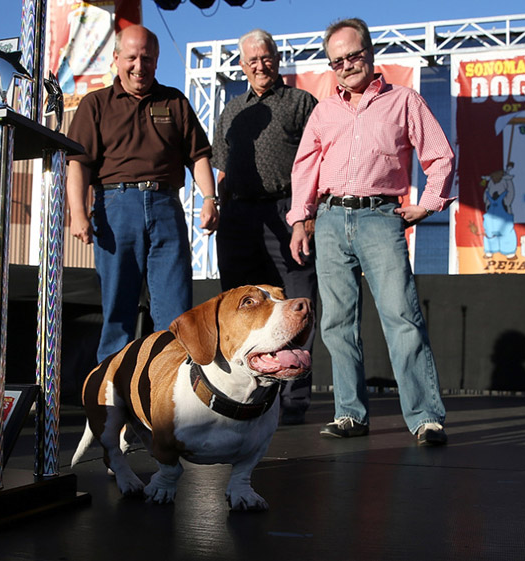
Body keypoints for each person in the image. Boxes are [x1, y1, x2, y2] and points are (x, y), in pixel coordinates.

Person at [287, 18, 454, 446]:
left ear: (370, 54)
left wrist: (429, 203)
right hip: (328, 220)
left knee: (402, 318)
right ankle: (350, 414)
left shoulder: (404, 101)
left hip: (380, 217)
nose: (346, 65)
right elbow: (305, 167)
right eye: (336, 60)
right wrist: (299, 220)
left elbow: (439, 156)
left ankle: (425, 418)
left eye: (353, 55)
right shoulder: (324, 111)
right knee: (338, 324)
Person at [66, 24, 219, 364]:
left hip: (166, 206)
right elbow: (78, 164)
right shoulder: (95, 104)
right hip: (115, 206)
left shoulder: (174, 101)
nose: (139, 66)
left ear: (157, 60)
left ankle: (169, 390)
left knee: (174, 307)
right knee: (118, 306)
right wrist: (78, 212)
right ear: (117, 59)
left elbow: (198, 156)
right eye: (132, 57)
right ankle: (111, 397)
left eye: (147, 58)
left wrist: (210, 198)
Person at [212, 29, 318, 425]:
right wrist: (219, 210)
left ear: (277, 57)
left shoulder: (301, 102)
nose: (260, 65)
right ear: (242, 65)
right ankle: (242, 395)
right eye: (251, 60)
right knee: (239, 309)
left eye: (266, 57)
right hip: (238, 217)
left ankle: (293, 401)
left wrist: (305, 217)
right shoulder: (231, 110)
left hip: (288, 211)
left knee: (298, 304)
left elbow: (318, 162)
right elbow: (222, 167)